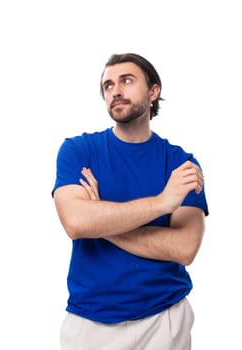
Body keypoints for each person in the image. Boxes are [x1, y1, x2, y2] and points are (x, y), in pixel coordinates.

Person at [51, 53, 209, 350]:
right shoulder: (78, 151)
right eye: (108, 85)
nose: (116, 91)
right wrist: (163, 202)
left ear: (153, 91)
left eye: (126, 80)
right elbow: (75, 223)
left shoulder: (181, 164)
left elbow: (185, 248)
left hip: (164, 319)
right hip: (90, 323)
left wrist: (101, 222)